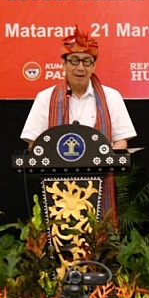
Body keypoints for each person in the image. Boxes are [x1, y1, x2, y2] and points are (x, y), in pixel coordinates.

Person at [21, 25, 136, 225]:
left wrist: (101, 160)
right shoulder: (45, 98)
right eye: (74, 60)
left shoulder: (111, 97)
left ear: (94, 66)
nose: (80, 67)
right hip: (58, 185)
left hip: (100, 182)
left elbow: (121, 142)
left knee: (100, 235)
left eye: (86, 61)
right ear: (63, 64)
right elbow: (34, 144)